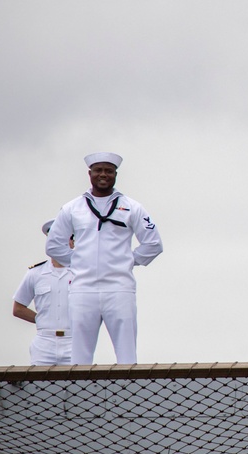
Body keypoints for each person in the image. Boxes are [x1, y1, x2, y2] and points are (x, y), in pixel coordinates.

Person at [46, 152, 163, 364]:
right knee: (80, 356)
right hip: (83, 289)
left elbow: (153, 244)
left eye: (109, 171)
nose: (103, 175)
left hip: (120, 288)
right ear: (89, 173)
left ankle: (129, 394)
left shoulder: (132, 207)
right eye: (98, 170)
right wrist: (79, 261)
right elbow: (53, 245)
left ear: (115, 174)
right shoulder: (72, 208)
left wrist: (129, 260)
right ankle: (80, 395)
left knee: (127, 354)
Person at [12, 220, 74, 365]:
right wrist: (42, 320)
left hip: (75, 341)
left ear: (72, 242)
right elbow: (18, 308)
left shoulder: (83, 272)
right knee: (40, 385)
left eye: (66, 239)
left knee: (78, 386)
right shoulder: (35, 273)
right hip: (44, 343)